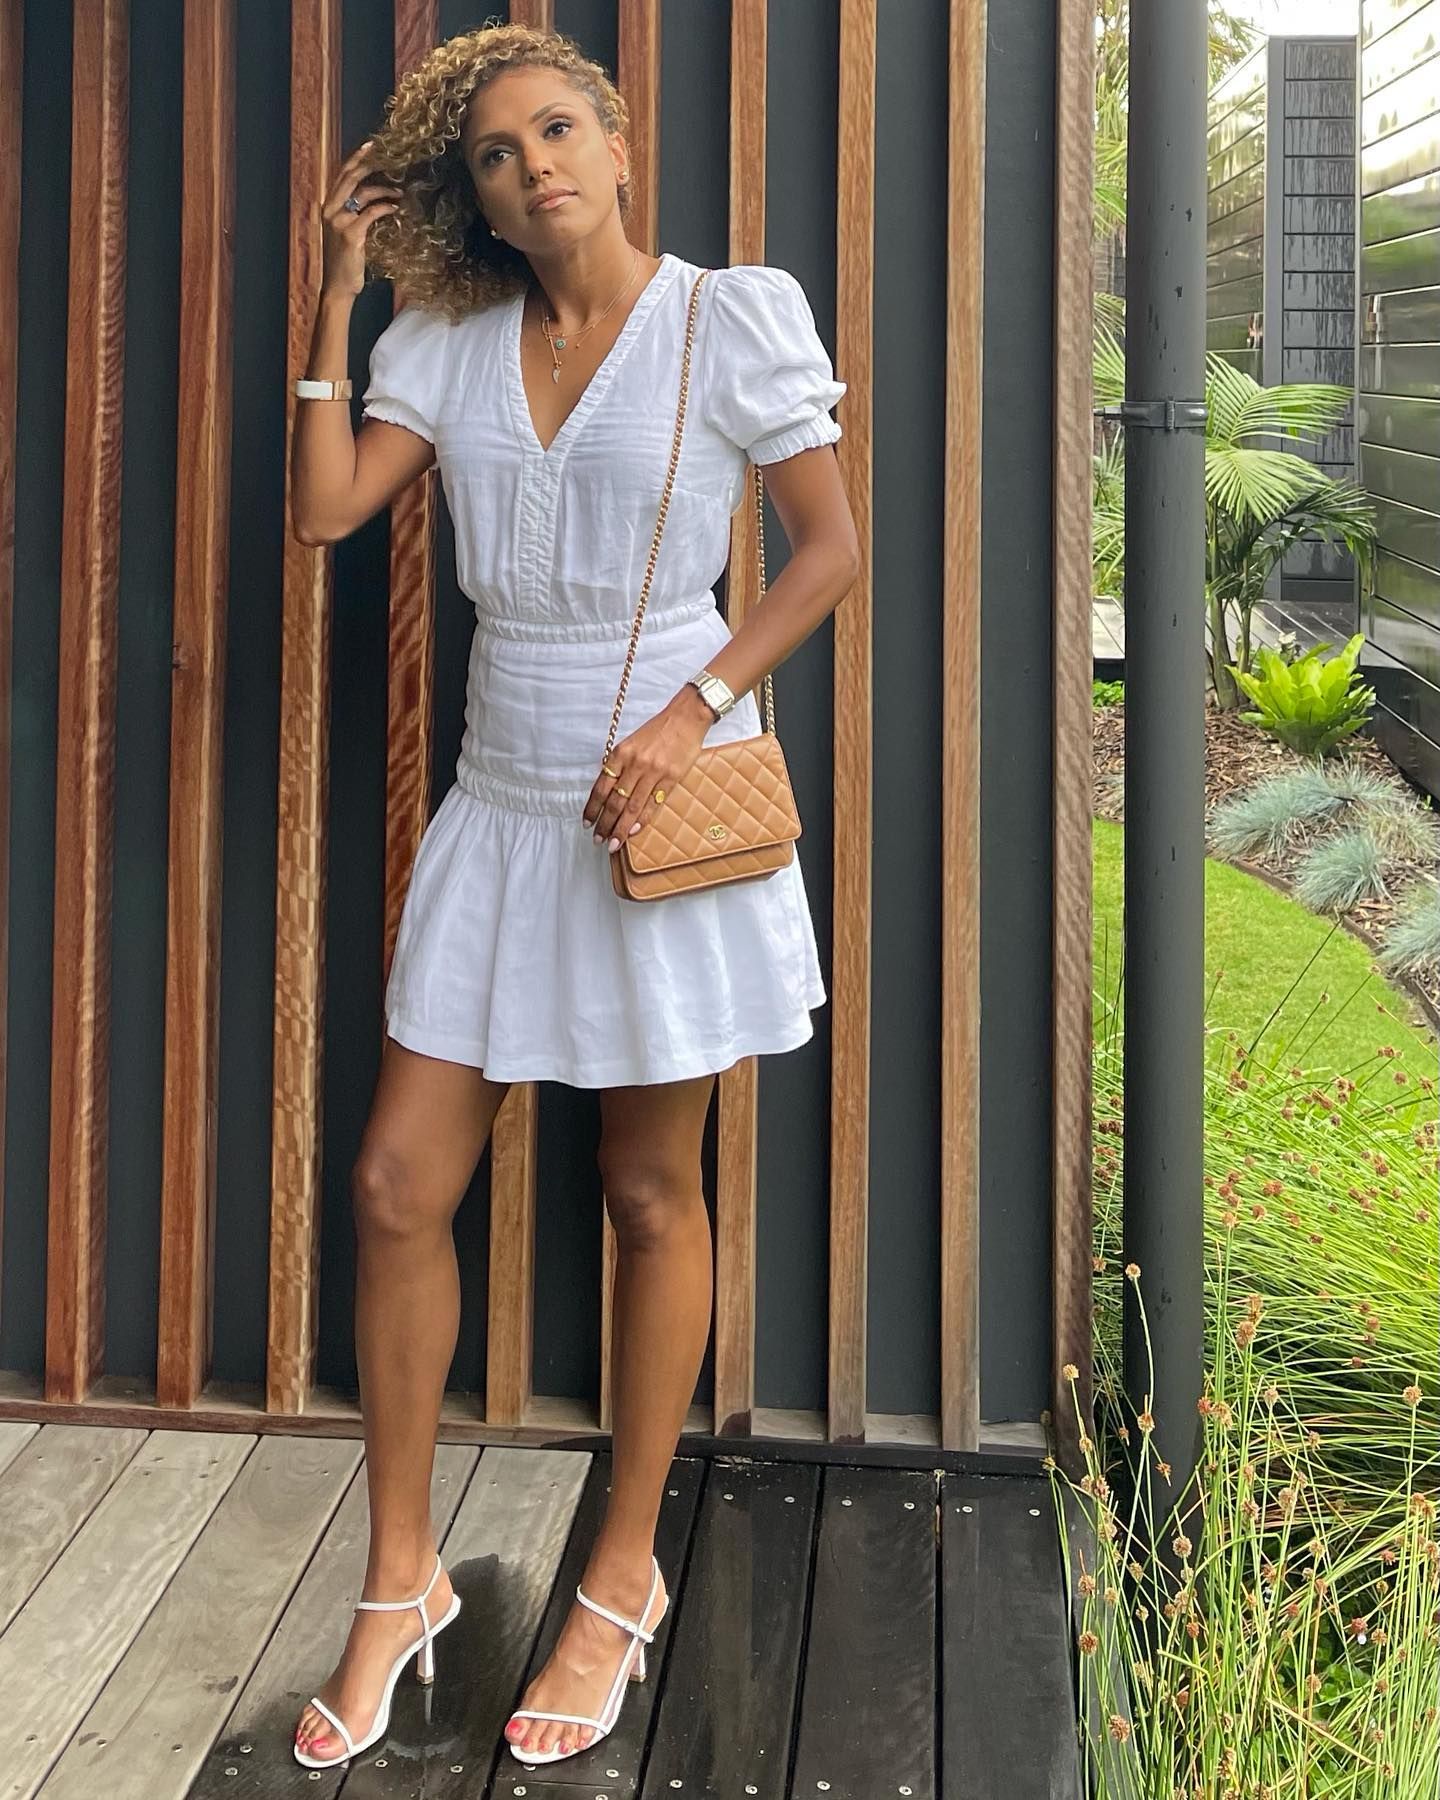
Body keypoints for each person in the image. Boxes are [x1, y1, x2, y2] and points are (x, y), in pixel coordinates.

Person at [288, 20, 858, 1772]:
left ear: (614, 145)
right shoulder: (449, 341)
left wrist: (692, 712)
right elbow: (327, 510)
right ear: (473, 199)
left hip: (663, 800)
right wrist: (336, 293)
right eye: (493, 154)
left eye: (555, 131)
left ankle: (620, 1575)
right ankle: (400, 1578)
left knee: (646, 1189)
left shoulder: (727, 317)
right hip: (502, 803)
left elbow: (828, 550)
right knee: (397, 1185)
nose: (532, 166)